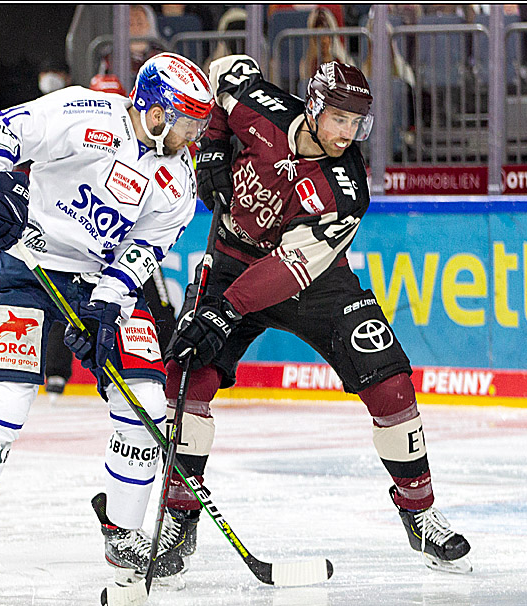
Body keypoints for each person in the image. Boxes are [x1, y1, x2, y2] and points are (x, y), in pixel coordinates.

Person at [160, 54, 472, 574]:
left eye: (357, 123)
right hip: (231, 257)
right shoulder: (262, 106)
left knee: (390, 379)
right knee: (187, 376)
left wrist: (225, 312)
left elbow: (288, 268)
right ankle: (179, 518)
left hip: (312, 281)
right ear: (314, 106)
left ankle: (421, 515)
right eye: (340, 119)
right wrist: (213, 146)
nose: (348, 133)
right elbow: (221, 73)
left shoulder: (347, 190)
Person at [0, 53, 214, 594]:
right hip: (26, 266)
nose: (192, 135)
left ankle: (124, 531)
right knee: (2, 405)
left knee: (146, 405)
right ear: (155, 111)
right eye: (187, 121)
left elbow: (146, 246)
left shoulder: (178, 178)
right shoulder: (84, 112)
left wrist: (107, 304)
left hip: (98, 279)